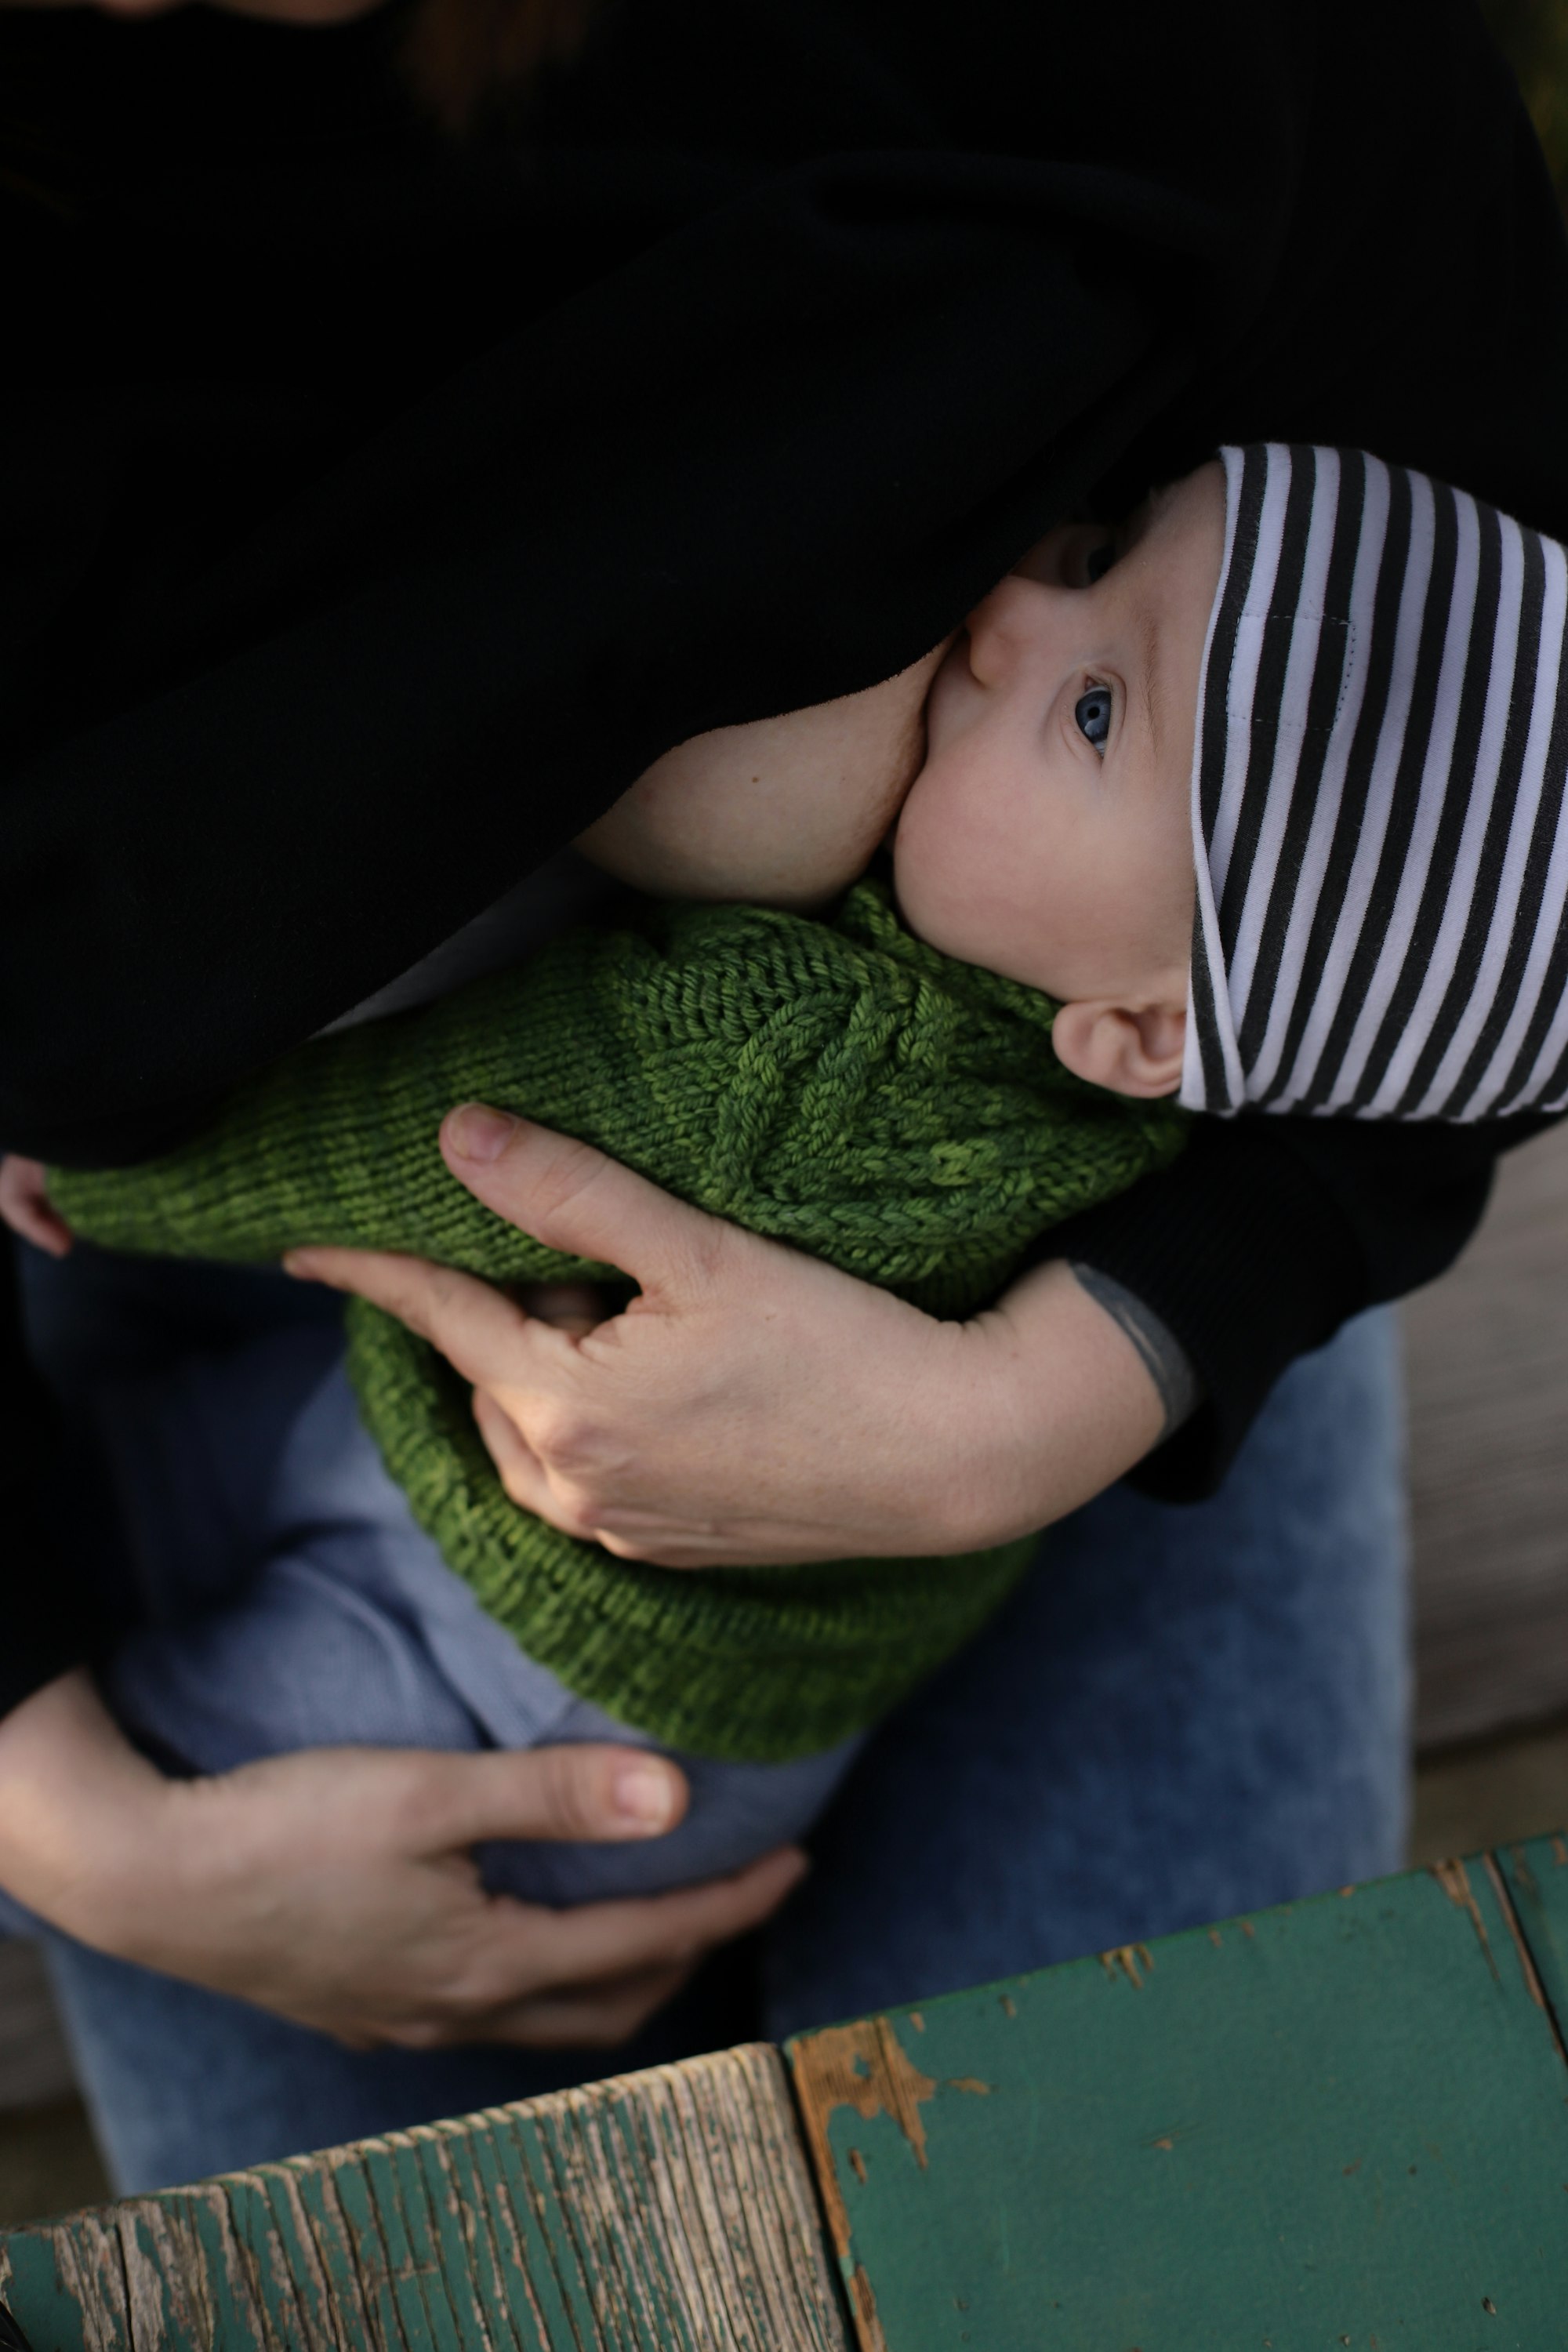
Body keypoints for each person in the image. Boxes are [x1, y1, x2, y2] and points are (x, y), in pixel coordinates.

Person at [0, 0, 1563, 2190]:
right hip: (313, 1397)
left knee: (1126, 2226)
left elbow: (1495, 803)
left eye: (1095, 611)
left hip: (1088, 1299)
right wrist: (60, 1806)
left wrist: (1060, 1390)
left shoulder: (1201, 92)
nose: (1014, 613)